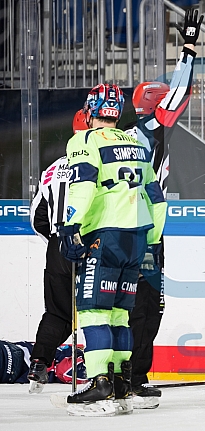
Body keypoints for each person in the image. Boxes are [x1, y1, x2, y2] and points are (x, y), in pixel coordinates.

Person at [58, 83, 167, 417]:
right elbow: (156, 196)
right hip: (137, 236)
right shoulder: (136, 141)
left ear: (91, 110)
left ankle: (99, 381)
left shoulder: (84, 140)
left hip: (104, 234)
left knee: (93, 309)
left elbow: (84, 185)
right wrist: (153, 239)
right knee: (121, 312)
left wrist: (70, 225)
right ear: (118, 112)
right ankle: (121, 381)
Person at [122, 7, 202, 408]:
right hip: (144, 233)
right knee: (144, 307)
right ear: (155, 105)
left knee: (139, 307)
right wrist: (188, 47)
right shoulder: (149, 129)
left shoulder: (134, 132)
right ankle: (131, 377)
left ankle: (129, 375)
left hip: (140, 230)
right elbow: (180, 91)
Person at [26, 109, 88, 393]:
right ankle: (107, 374)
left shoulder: (53, 168)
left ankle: (39, 363)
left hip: (57, 246)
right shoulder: (99, 162)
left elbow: (36, 217)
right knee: (100, 310)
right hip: (90, 243)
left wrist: (55, 242)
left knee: (57, 313)